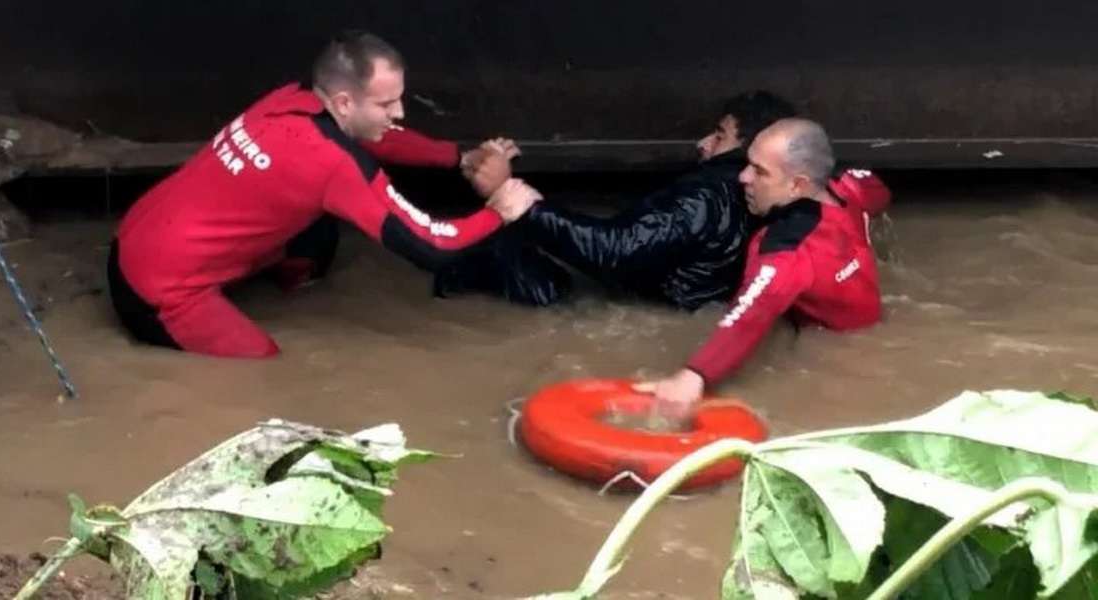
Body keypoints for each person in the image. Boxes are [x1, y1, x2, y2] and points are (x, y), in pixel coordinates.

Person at [108, 30, 539, 358]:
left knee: (318, 234)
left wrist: (455, 157)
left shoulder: (289, 99)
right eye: (387, 104)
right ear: (345, 102)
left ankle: (287, 286)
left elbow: (378, 138)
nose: (400, 113)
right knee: (267, 364)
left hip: (136, 237)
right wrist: (499, 211)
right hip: (157, 295)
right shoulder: (331, 164)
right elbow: (431, 243)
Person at [437, 91, 798, 310]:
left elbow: (616, 250)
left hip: (629, 310)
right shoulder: (773, 196)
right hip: (682, 309)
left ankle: (439, 299)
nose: (703, 143)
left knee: (499, 242)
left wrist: (512, 198)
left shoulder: (708, 193)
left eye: (719, 135)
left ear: (753, 145)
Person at [634, 118, 890, 414]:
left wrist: (693, 376)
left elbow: (751, 310)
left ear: (797, 184)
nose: (743, 177)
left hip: (841, 352)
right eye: (748, 164)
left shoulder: (787, 248)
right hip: (872, 328)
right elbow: (877, 190)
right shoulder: (850, 187)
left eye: (759, 171)